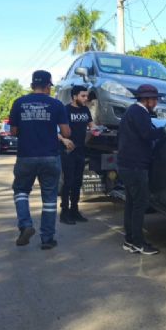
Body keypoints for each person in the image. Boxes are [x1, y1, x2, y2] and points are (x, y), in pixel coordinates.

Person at [9, 70, 70, 250]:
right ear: (47, 86)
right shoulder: (56, 104)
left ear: (32, 85)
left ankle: (26, 225)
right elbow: (66, 133)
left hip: (26, 156)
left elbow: (13, 132)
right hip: (50, 156)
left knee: (21, 191)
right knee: (50, 198)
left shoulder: (19, 103)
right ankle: (47, 239)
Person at [117, 84, 165, 255]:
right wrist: (164, 131)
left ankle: (130, 240)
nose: (156, 101)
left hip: (127, 164)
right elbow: (147, 135)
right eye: (155, 99)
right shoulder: (140, 113)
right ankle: (138, 243)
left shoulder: (133, 112)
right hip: (135, 166)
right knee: (140, 204)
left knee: (131, 203)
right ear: (147, 99)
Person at [59, 85, 95, 225]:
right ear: (74, 97)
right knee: (68, 181)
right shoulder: (65, 110)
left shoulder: (85, 110)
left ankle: (75, 210)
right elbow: (54, 129)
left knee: (78, 182)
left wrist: (96, 130)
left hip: (81, 150)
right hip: (68, 151)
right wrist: (63, 139)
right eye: (83, 96)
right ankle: (65, 212)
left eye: (86, 96)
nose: (86, 99)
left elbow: (92, 125)